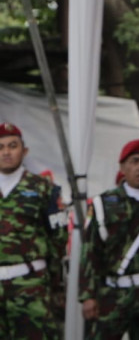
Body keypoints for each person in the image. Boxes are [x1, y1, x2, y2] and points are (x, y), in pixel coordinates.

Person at [79, 138, 139, 339]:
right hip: (114, 292)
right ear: (123, 167)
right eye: (135, 161)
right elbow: (90, 252)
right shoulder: (103, 204)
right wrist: (88, 296)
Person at [0, 122, 67, 340]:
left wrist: (55, 284)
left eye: (12, 146)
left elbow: (58, 238)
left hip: (30, 284)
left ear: (24, 150)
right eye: (0, 147)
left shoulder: (43, 188)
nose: (6, 152)